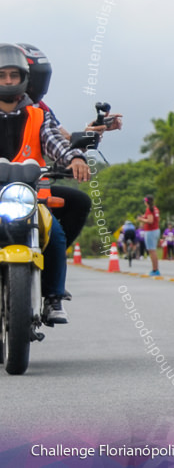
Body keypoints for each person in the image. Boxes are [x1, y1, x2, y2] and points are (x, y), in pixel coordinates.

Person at [0, 43, 90, 324]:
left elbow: (54, 141)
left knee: (55, 232)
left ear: (24, 78)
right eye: (2, 75)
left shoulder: (39, 115)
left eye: (14, 75)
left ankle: (53, 298)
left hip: (25, 193)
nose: (8, 81)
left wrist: (74, 157)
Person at [16, 43, 122, 245]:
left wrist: (92, 132)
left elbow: (61, 141)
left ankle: (49, 260)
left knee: (76, 206)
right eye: (5, 75)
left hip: (30, 186)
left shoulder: (39, 110)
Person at [137, 195, 161, 277]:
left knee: (152, 250)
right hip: (155, 230)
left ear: (147, 202)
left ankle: (155, 269)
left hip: (151, 231)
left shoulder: (149, 209)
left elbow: (150, 221)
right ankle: (155, 269)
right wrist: (143, 216)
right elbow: (156, 219)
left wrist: (141, 220)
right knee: (152, 250)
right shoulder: (155, 209)